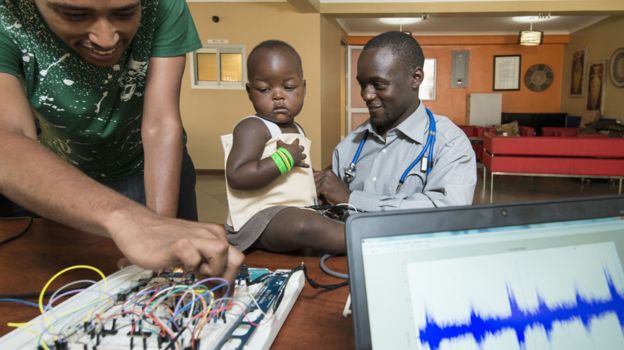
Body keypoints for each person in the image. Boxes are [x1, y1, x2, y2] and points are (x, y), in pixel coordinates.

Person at [0, 0, 243, 279]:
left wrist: (157, 225)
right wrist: (125, 218)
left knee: (174, 275)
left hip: (146, 170)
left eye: (126, 12)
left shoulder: (165, 4)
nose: (106, 40)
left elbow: (161, 124)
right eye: (75, 14)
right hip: (57, 174)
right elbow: (7, 136)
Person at [315, 31, 476, 211]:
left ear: (416, 78)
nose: (366, 95)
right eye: (362, 85)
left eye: (379, 85)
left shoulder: (450, 144)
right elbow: (330, 208)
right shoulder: (348, 146)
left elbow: (446, 213)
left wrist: (351, 198)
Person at [222, 40, 344, 254]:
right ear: (250, 92)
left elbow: (289, 179)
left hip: (289, 211)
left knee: (320, 220)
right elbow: (237, 175)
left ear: (304, 89)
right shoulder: (253, 127)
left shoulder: (296, 128)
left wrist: (311, 181)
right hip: (258, 219)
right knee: (306, 225)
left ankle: (348, 233)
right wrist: (284, 158)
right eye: (264, 89)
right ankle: (363, 240)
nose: (278, 95)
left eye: (288, 87)